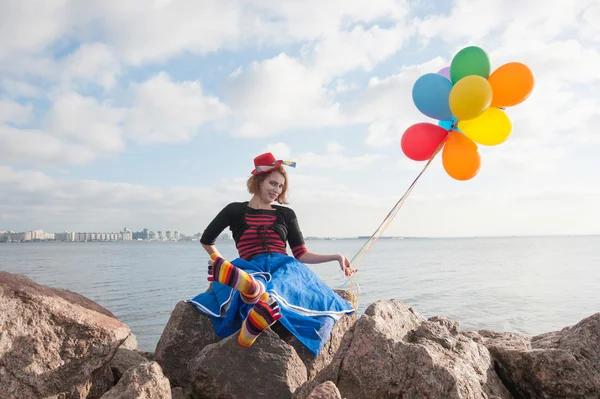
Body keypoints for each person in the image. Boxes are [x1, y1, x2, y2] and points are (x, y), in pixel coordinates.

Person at [186, 152, 356, 356]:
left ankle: (251, 318)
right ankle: (251, 300)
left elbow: (301, 254)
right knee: (251, 281)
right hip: (249, 265)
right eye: (272, 183)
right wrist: (219, 262)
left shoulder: (286, 214)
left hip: (284, 265)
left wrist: (336, 256)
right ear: (258, 181)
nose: (277, 190)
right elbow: (207, 240)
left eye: (280, 186)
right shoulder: (234, 210)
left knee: (281, 290)